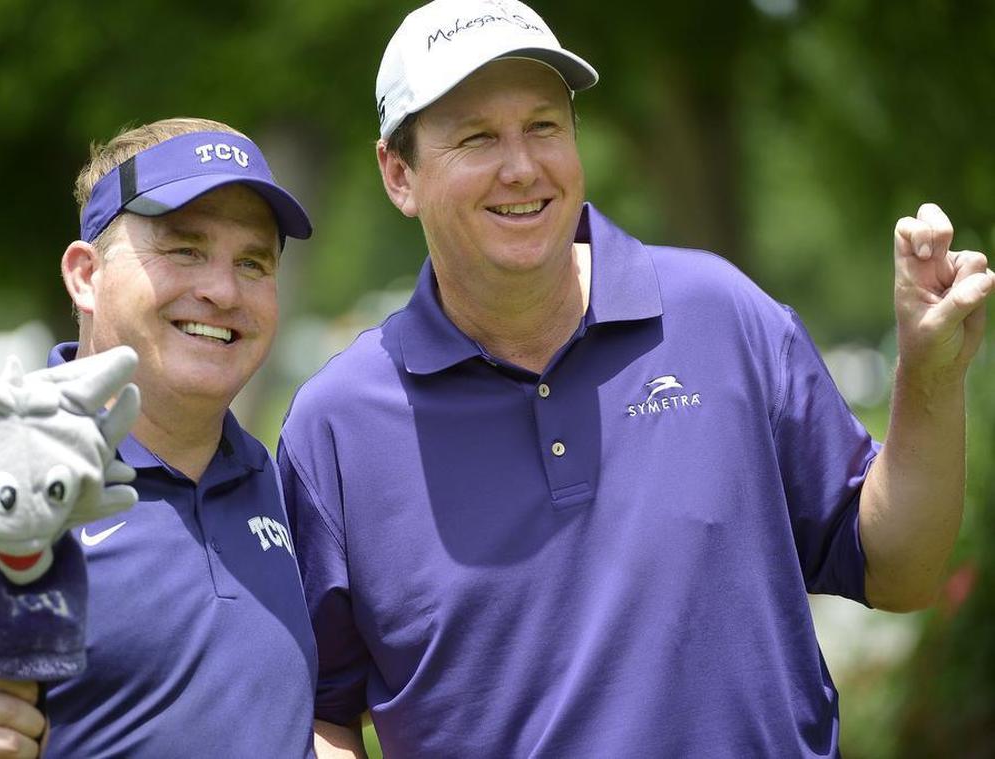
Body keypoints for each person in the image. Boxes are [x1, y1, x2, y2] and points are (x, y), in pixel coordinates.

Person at [278, 1, 995, 756]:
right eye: (477, 137)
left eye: (544, 125)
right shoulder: (337, 424)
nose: (521, 166)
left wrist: (929, 375)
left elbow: (902, 572)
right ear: (399, 173)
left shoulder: (722, 314)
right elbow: (321, 712)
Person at [0, 117, 320, 757]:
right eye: (185, 250)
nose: (221, 290)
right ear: (84, 275)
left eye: (253, 262)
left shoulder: (282, 484)